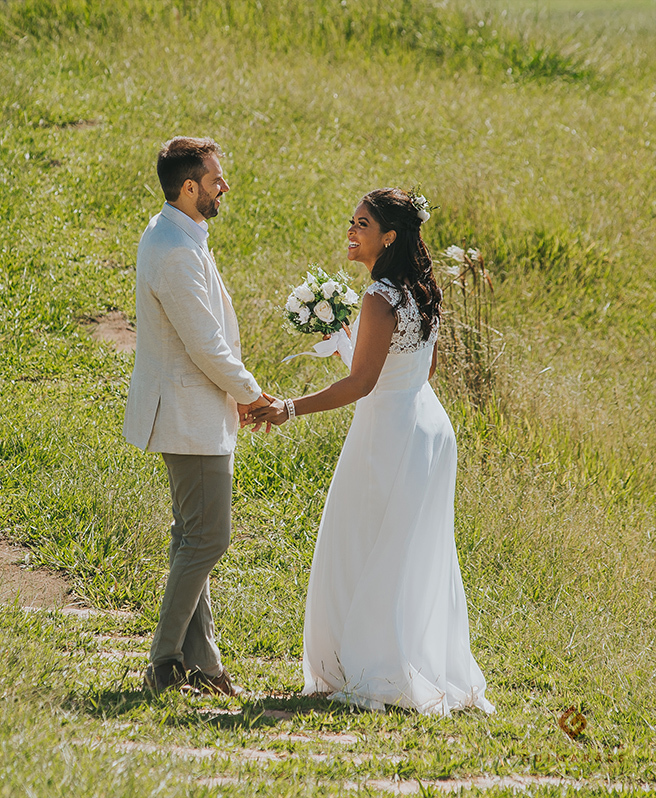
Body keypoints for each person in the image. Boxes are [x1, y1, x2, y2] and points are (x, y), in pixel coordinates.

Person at [250, 187, 494, 715]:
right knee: (412, 551)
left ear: (388, 237)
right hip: (428, 426)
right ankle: (413, 659)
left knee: (362, 544)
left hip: (388, 434)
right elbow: (422, 369)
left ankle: (372, 666)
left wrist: (289, 407)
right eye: (352, 221)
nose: (351, 231)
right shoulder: (419, 291)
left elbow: (362, 384)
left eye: (362, 224)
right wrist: (355, 348)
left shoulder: (380, 297)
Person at [123, 136, 268, 697]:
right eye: (214, 179)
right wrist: (252, 395)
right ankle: (162, 663)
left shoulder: (175, 233)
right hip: (189, 413)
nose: (223, 186)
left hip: (192, 410)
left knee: (192, 536)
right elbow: (205, 344)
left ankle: (202, 663)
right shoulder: (175, 251)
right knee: (208, 539)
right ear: (189, 187)